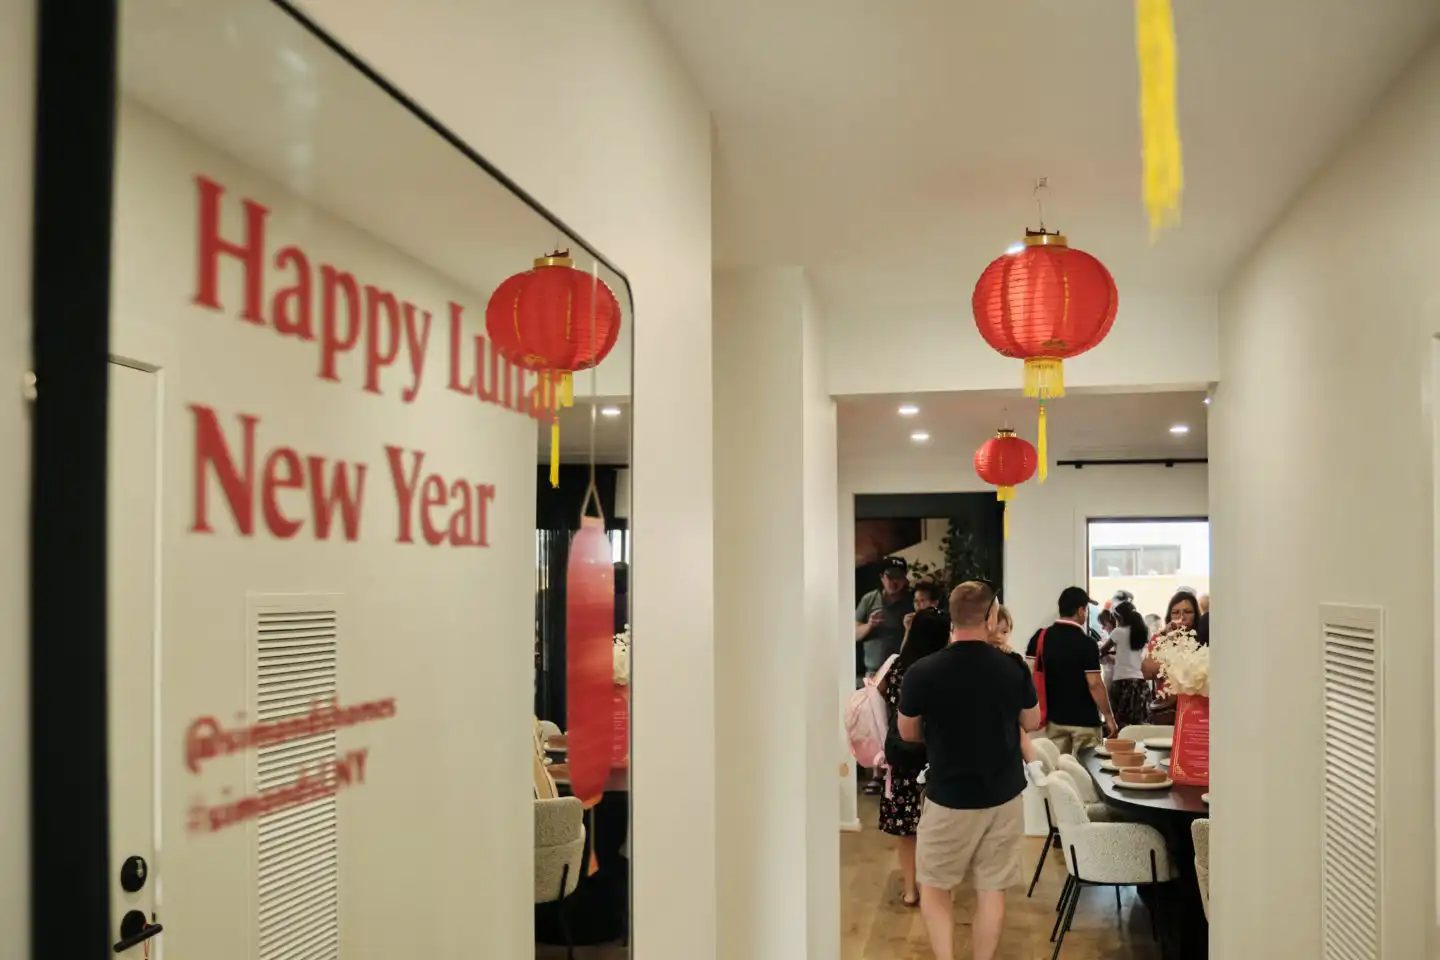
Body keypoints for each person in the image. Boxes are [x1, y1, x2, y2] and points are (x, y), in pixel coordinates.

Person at [898, 582, 1040, 960]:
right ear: (991, 617)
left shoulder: (922, 671)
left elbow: (907, 732)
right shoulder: (1012, 666)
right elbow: (1033, 720)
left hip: (949, 796)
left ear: (952, 617)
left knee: (934, 887)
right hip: (1003, 794)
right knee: (991, 891)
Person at [876, 607, 950, 907]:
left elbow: (879, 696)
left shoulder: (896, 667)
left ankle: (910, 890)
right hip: (938, 757)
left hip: (902, 756)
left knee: (907, 830)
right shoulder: (943, 670)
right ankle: (934, 889)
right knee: (939, 828)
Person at [1025, 587, 1118, 754]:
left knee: (1059, 766)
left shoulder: (1041, 637)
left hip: (1053, 721)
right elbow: (1095, 684)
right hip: (1085, 722)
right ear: (1081, 611)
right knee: (1087, 767)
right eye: (1086, 609)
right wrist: (1109, 717)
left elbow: (1028, 675)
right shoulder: (1087, 643)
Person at [856, 558, 915, 793]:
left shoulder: (911, 601)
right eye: (890, 576)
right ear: (882, 577)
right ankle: (876, 774)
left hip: (902, 670)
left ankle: (898, 773)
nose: (894, 582)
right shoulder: (869, 600)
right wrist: (870, 625)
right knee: (874, 722)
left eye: (899, 577)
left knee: (898, 721)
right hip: (873, 671)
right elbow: (854, 633)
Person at [988, 605, 1043, 783]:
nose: (999, 636)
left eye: (1004, 632)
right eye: (995, 630)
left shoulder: (1012, 658)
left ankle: (1033, 765)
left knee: (1018, 731)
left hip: (1005, 713)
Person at [1142, 590, 1202, 724]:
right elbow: (1148, 672)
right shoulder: (1160, 638)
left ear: (1196, 615)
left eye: (1188, 612)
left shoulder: (1202, 637)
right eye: (1175, 613)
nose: (1181, 617)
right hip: (1167, 709)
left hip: (1197, 707)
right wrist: (1167, 640)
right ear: (1169, 616)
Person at [1107, 600, 1151, 730]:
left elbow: (1103, 650)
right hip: (1139, 682)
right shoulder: (1143, 631)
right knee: (1138, 724)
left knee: (1120, 723)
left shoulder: (1118, 632)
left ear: (1120, 618)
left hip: (1122, 681)